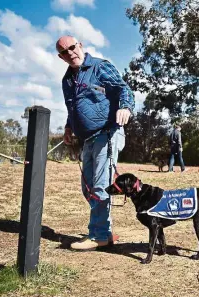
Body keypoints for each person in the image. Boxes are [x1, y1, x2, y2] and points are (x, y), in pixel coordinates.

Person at [56, 36, 135, 250]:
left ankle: (98, 235)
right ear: (61, 57)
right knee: (88, 188)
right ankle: (105, 231)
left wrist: (126, 107)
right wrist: (69, 127)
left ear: (79, 46)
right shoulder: (67, 80)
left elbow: (123, 89)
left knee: (101, 185)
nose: (70, 53)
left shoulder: (100, 67)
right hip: (87, 139)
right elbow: (73, 107)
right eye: (64, 52)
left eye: (72, 47)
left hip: (108, 133)